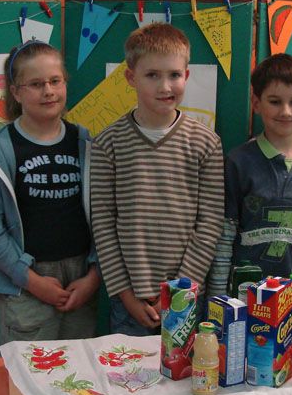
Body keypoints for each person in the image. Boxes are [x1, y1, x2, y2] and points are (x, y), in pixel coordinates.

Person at [91, 23, 224, 336]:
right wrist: (127, 295)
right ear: (131, 77)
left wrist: (180, 293)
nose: (165, 86)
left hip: (187, 297)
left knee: (188, 369)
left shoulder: (206, 142)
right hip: (130, 302)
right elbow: (103, 225)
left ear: (186, 76)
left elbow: (210, 223)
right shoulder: (108, 143)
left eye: (174, 75)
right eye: (152, 75)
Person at [0, 40, 99, 348]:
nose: (48, 91)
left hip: (80, 280)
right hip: (26, 282)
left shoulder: (85, 144)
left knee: (79, 368)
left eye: (56, 81)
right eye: (36, 84)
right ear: (16, 92)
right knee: (28, 370)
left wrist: (94, 276)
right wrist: (32, 281)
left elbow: (105, 215)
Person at [223, 53, 292, 279]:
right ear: (257, 103)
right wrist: (218, 293)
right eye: (275, 102)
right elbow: (225, 236)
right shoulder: (238, 161)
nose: (286, 111)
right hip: (247, 292)